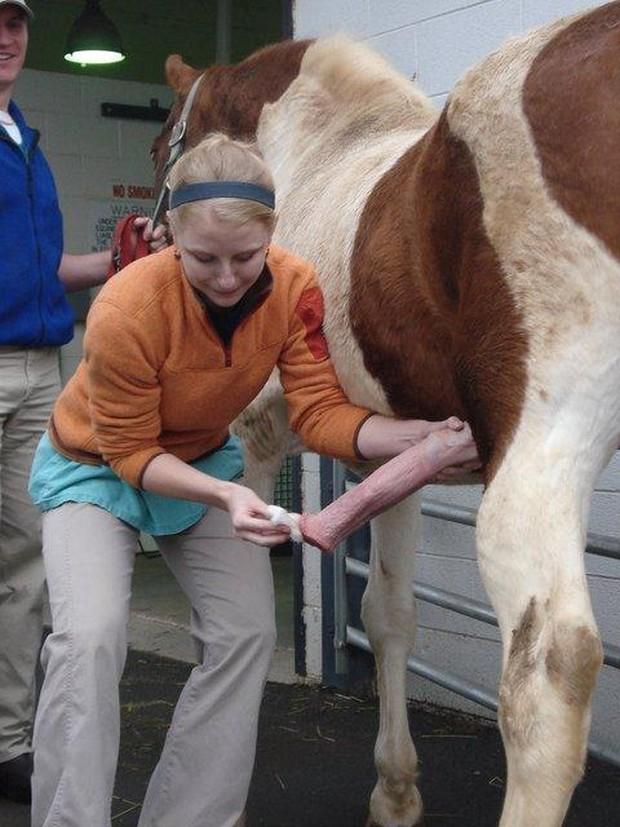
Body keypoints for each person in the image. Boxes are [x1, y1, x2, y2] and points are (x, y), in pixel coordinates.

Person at [27, 130, 479, 827]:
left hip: (201, 461)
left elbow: (319, 411)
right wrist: (227, 494)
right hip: (94, 471)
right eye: (204, 258)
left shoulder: (294, 286)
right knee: (88, 638)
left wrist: (411, 437)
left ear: (272, 233)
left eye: (245, 256)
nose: (227, 277)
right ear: (174, 237)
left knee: (244, 634)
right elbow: (130, 453)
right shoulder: (125, 306)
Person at [0, 0, 167, 804]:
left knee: (26, 566)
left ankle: (6, 738)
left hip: (41, 369)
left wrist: (117, 260)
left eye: (13, 22)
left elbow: (43, 271)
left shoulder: (26, 143)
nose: (4, 38)